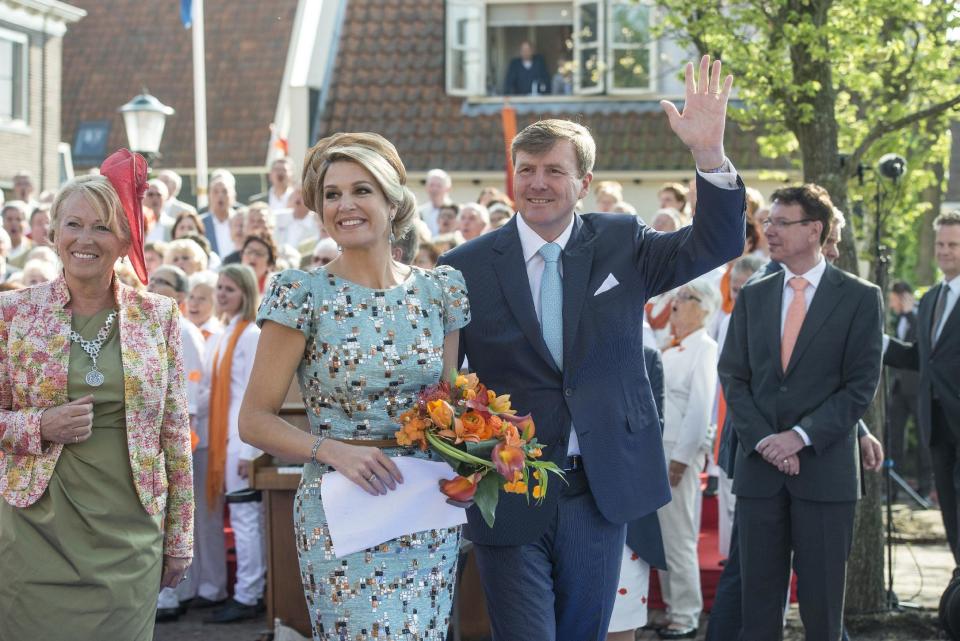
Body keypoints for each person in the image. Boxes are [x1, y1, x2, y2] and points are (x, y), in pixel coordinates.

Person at [438, 56, 745, 640]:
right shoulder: (463, 268)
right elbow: (446, 380)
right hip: (509, 492)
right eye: (526, 169)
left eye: (554, 171)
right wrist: (465, 461)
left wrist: (708, 154)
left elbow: (718, 240)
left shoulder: (621, 243)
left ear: (582, 183)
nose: (537, 183)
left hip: (598, 491)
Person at [239, 131, 470, 640]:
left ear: (393, 201)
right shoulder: (302, 294)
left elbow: (449, 408)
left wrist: (476, 461)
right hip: (340, 509)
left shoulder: (439, 291)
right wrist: (335, 452)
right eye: (332, 194)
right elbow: (253, 420)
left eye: (361, 190)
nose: (345, 204)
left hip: (425, 507)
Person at [0, 149, 193, 640]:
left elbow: (175, 434)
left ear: (127, 239)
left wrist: (181, 537)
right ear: (51, 232)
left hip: (129, 536)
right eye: (73, 224)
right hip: (32, 531)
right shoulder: (14, 314)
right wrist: (38, 425)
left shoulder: (159, 317)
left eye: (103, 227)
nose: (85, 239)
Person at [705, 207, 884, 641]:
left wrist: (804, 437)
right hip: (760, 461)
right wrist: (769, 440)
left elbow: (855, 382)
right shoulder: (755, 291)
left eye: (781, 223)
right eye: (769, 223)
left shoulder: (857, 296)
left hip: (822, 465)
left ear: (813, 231)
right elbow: (735, 375)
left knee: (823, 607)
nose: (769, 230)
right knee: (754, 594)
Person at [885, 210, 960, 567]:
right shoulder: (930, 298)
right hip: (937, 426)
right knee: (951, 514)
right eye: (941, 244)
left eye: (954, 245)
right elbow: (921, 358)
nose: (945, 251)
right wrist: (877, 342)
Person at [654, 278, 720, 639]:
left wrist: (682, 457)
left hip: (678, 450)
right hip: (658, 448)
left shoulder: (704, 347)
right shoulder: (672, 346)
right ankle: (670, 607)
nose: (676, 302)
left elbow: (700, 408)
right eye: (676, 294)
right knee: (664, 534)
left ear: (705, 308)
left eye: (686, 296)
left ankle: (686, 613)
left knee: (678, 534)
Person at [203, 263, 265, 623]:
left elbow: (253, 394)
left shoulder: (251, 334)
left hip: (241, 440)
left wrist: (248, 449)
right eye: (220, 288)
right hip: (224, 437)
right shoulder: (226, 331)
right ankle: (245, 590)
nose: (223, 294)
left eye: (230, 288)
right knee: (242, 515)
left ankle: (248, 594)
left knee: (245, 517)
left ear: (245, 292)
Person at [147, 265, 209, 623]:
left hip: (178, 438)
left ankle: (175, 595)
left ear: (181, 295)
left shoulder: (183, 329)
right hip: (160, 435)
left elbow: (189, 390)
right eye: (152, 279)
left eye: (163, 283)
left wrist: (177, 441)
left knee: (177, 516)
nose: (153, 286)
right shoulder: (154, 321)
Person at [607, 345, 668, 641]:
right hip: (560, 507)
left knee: (620, 622)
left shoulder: (646, 357)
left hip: (625, 511)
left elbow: (652, 432)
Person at [886, 280, 930, 499]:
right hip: (898, 388)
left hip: (917, 388)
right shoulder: (896, 319)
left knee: (924, 440)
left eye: (893, 298)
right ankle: (893, 488)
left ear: (902, 297)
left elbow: (921, 345)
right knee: (894, 437)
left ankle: (925, 488)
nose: (891, 303)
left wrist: (911, 312)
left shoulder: (919, 315)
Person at [200, 172, 238, 257]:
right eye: (215, 192)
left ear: (234, 196)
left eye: (225, 191)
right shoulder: (201, 223)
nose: (220, 195)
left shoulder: (242, 222)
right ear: (209, 196)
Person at [418, 168, 454, 234]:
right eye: (431, 185)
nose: (434, 189)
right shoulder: (420, 212)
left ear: (448, 188)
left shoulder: (456, 211)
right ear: (426, 188)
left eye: (439, 186)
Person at [2, 201, 31, 268]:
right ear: (3, 222)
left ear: (26, 223)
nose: (14, 223)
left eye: (18, 219)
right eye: (9, 219)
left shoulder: (31, 249)